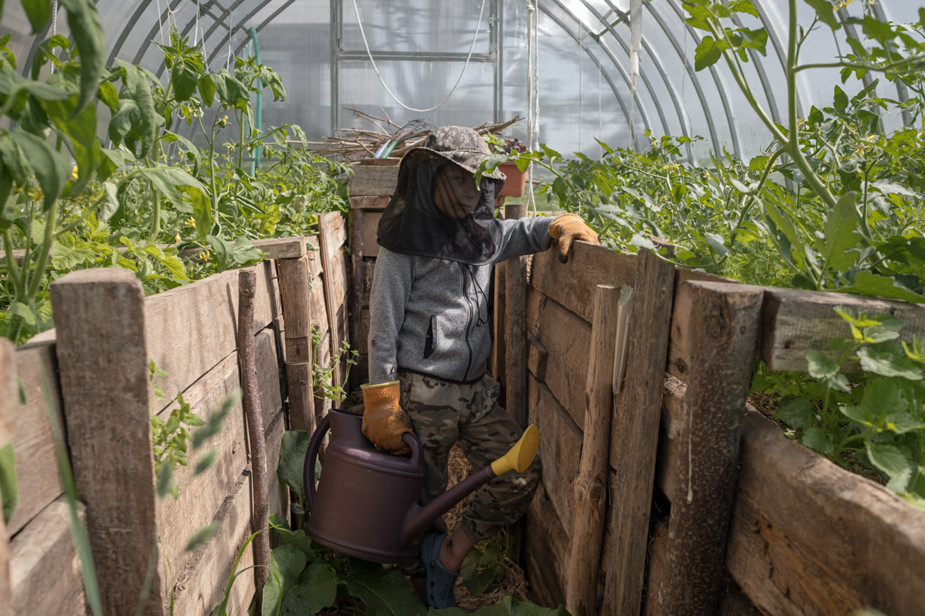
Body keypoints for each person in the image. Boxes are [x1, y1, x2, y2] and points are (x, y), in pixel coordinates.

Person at [360, 125, 599, 608]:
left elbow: (523, 231)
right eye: (462, 180)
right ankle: (422, 592)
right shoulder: (401, 246)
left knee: (520, 471)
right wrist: (382, 401)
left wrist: (560, 224)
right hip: (422, 396)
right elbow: (382, 327)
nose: (473, 190)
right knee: (420, 502)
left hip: (476, 391)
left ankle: (450, 554)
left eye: (477, 180)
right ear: (434, 180)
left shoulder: (481, 235)